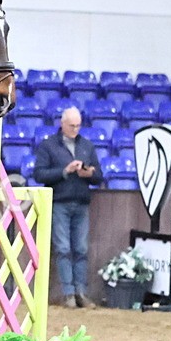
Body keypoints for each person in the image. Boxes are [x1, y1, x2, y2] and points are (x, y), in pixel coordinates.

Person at [33, 106, 104, 308]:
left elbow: (99, 175)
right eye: (72, 125)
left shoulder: (87, 146)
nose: (75, 129)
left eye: (78, 125)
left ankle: (80, 292)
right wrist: (64, 171)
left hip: (81, 201)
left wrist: (89, 173)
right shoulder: (48, 146)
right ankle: (69, 293)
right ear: (62, 124)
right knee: (63, 248)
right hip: (59, 203)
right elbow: (39, 174)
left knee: (80, 248)